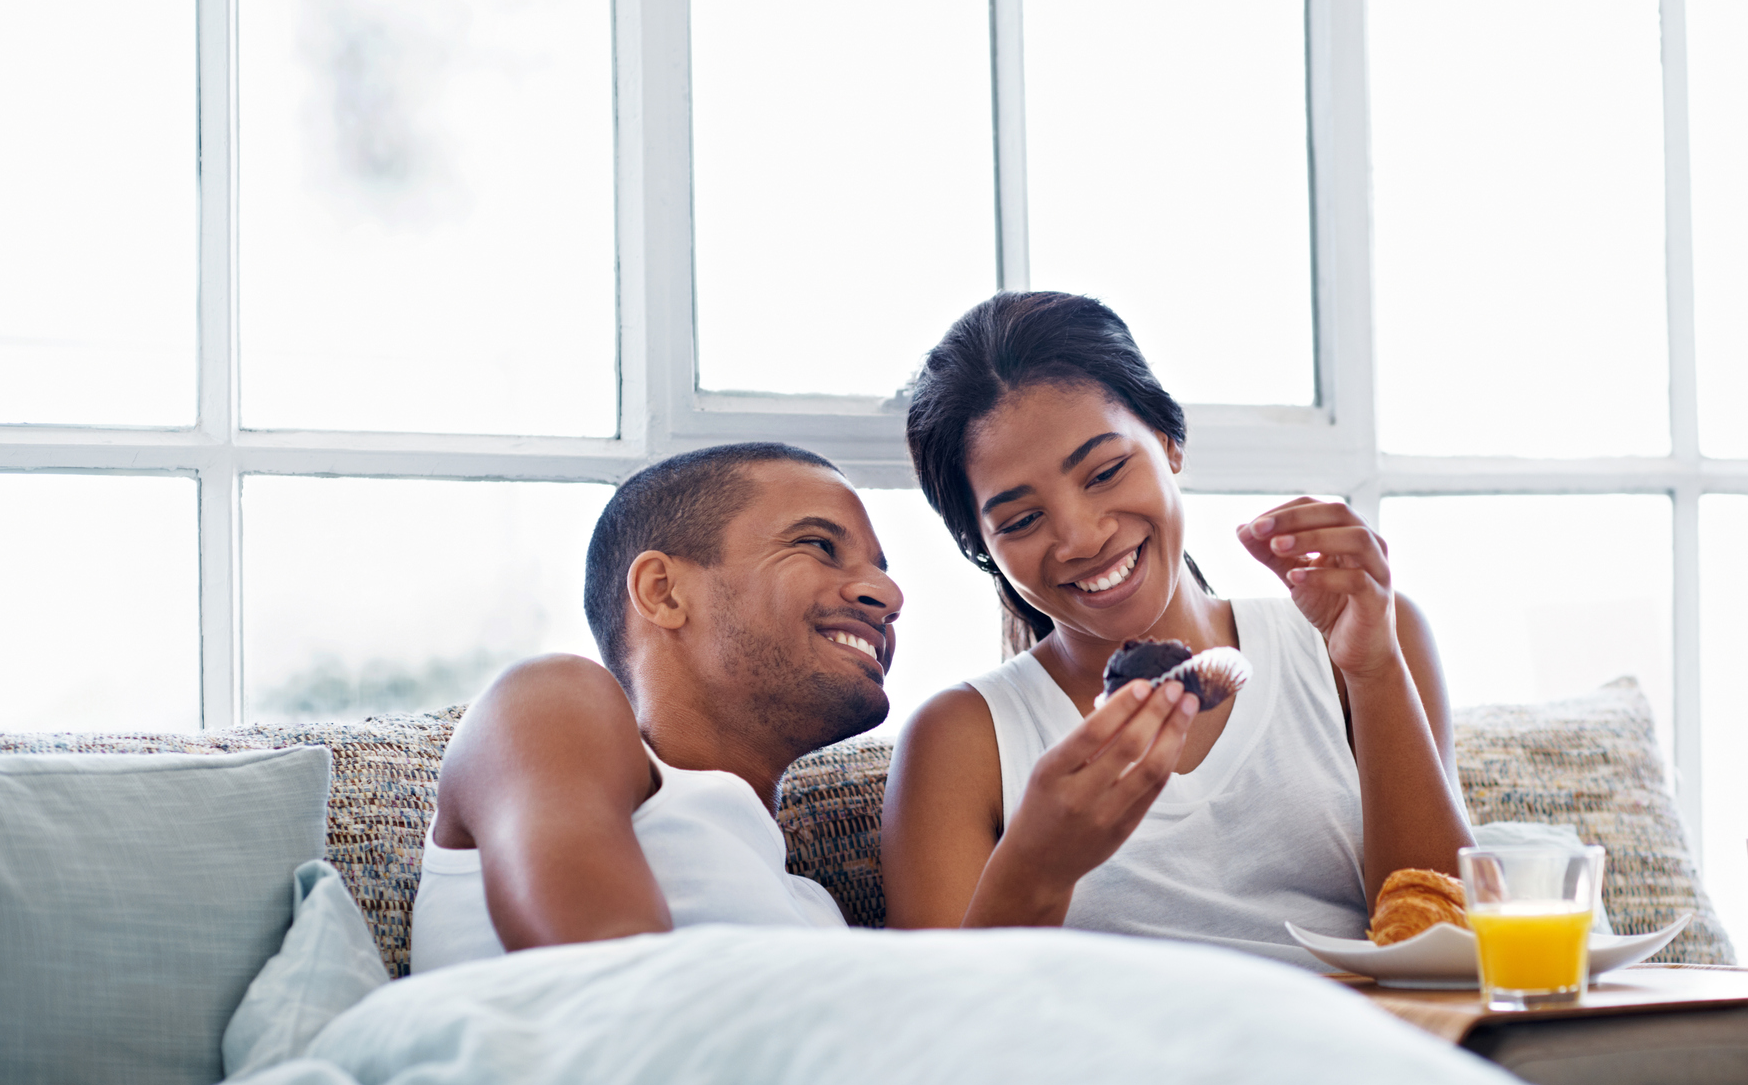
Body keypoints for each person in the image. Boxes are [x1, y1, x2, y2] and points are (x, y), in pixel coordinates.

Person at [881, 292, 1472, 966]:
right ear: (985, 550)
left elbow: (1444, 942)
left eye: (1105, 472)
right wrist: (1037, 868)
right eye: (1019, 520)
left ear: (1168, 441)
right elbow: (937, 1032)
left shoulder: (1354, 642)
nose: (1080, 537)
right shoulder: (962, 740)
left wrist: (1374, 672)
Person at [412, 442, 902, 973]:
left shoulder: (813, 908)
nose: (889, 594)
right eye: (819, 545)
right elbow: (617, 989)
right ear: (663, 593)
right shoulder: (554, 700)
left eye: (880, 569)